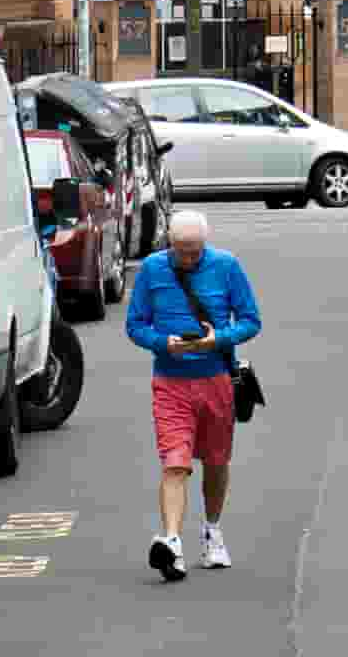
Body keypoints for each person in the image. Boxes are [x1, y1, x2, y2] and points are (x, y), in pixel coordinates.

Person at [121, 207, 260, 580]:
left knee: (216, 461)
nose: (188, 258)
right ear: (170, 243)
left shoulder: (227, 266)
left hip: (216, 380)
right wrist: (163, 344)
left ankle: (212, 531)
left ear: (205, 244)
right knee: (175, 462)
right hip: (170, 382)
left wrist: (219, 339)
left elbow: (251, 320)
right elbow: (134, 325)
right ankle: (171, 542)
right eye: (182, 250)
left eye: (195, 251)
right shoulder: (152, 269)